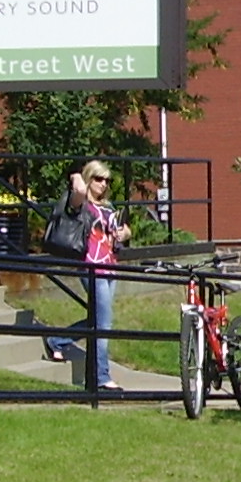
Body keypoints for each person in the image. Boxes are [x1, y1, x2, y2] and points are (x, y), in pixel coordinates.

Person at [66, 159, 131, 389]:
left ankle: (57, 339)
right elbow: (78, 191)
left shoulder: (108, 207)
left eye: (107, 180)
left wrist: (124, 233)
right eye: (99, 179)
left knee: (99, 319)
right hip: (91, 266)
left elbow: (122, 230)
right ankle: (101, 377)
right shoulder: (81, 204)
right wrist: (77, 177)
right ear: (89, 179)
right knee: (104, 323)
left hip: (111, 266)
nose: (104, 184)